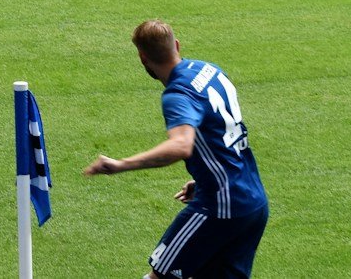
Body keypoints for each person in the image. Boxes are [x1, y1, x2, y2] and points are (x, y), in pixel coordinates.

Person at [84, 20, 268, 279]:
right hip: (253, 202)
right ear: (177, 45)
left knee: (159, 275)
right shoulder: (209, 70)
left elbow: (180, 145)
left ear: (142, 58)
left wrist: (120, 164)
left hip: (220, 207)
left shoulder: (178, 94)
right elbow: (222, 132)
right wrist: (205, 176)